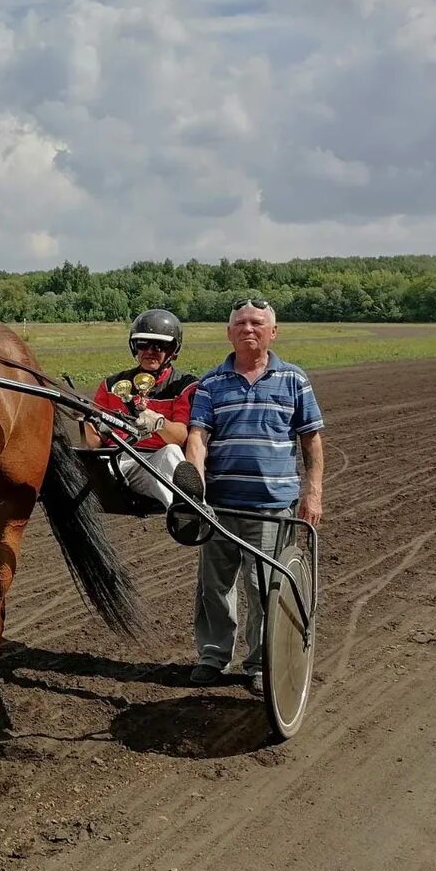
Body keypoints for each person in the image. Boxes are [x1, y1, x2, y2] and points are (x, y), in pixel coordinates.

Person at [183, 298, 325, 695]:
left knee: (264, 588)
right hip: (220, 506)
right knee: (214, 585)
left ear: (273, 332)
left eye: (257, 323)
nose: (248, 329)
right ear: (229, 333)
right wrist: (195, 489)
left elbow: (311, 441)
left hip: (272, 508)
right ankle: (213, 655)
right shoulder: (211, 383)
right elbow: (197, 437)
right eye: (240, 323)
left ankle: (262, 662)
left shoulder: (294, 380)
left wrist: (313, 493)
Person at [88, 308, 199, 509]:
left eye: (160, 345)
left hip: (154, 463)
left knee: (172, 452)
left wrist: (158, 423)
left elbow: (181, 437)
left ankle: (188, 512)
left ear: (173, 350)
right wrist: (85, 421)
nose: (149, 351)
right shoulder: (110, 385)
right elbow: (94, 443)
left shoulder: (184, 386)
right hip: (115, 461)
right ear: (134, 347)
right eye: (143, 344)